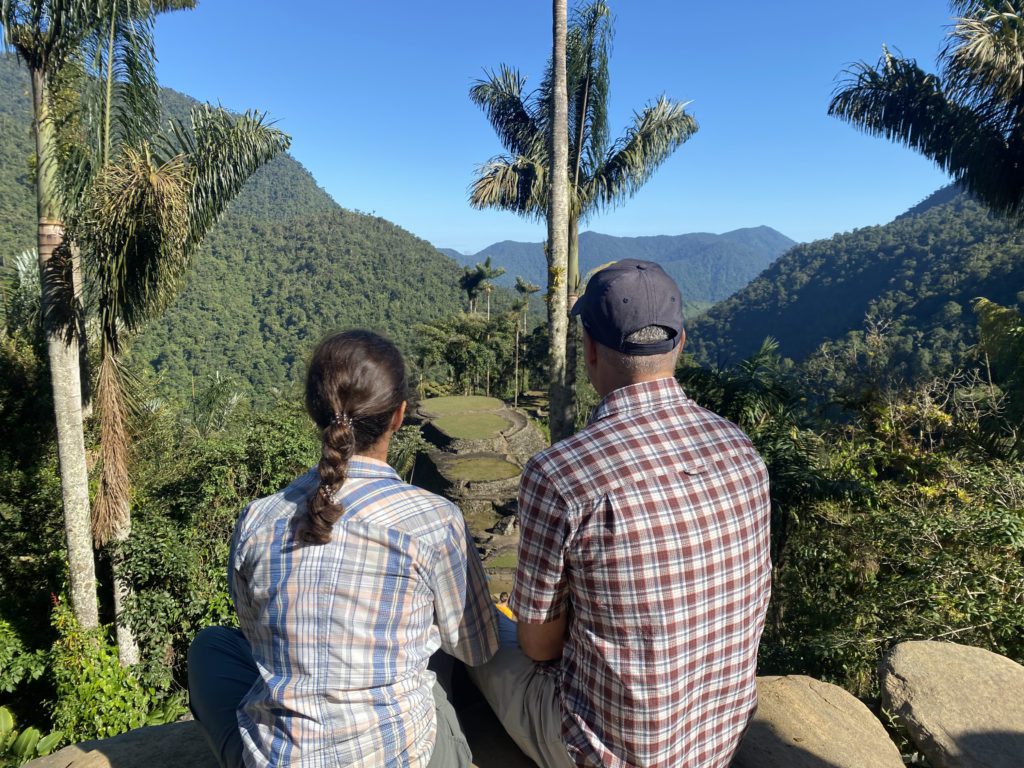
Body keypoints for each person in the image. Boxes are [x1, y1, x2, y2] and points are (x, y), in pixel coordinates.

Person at [469, 260, 772, 768]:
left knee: (480, 629)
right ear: (681, 341)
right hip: (719, 738)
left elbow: (539, 646)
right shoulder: (740, 450)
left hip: (608, 752)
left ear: (588, 347)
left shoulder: (560, 473)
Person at [188, 329, 499, 768]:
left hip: (281, 757)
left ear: (314, 411)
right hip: (399, 754)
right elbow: (476, 648)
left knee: (211, 647)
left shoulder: (258, 519)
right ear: (399, 415)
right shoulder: (433, 520)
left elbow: (257, 640)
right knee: (430, 668)